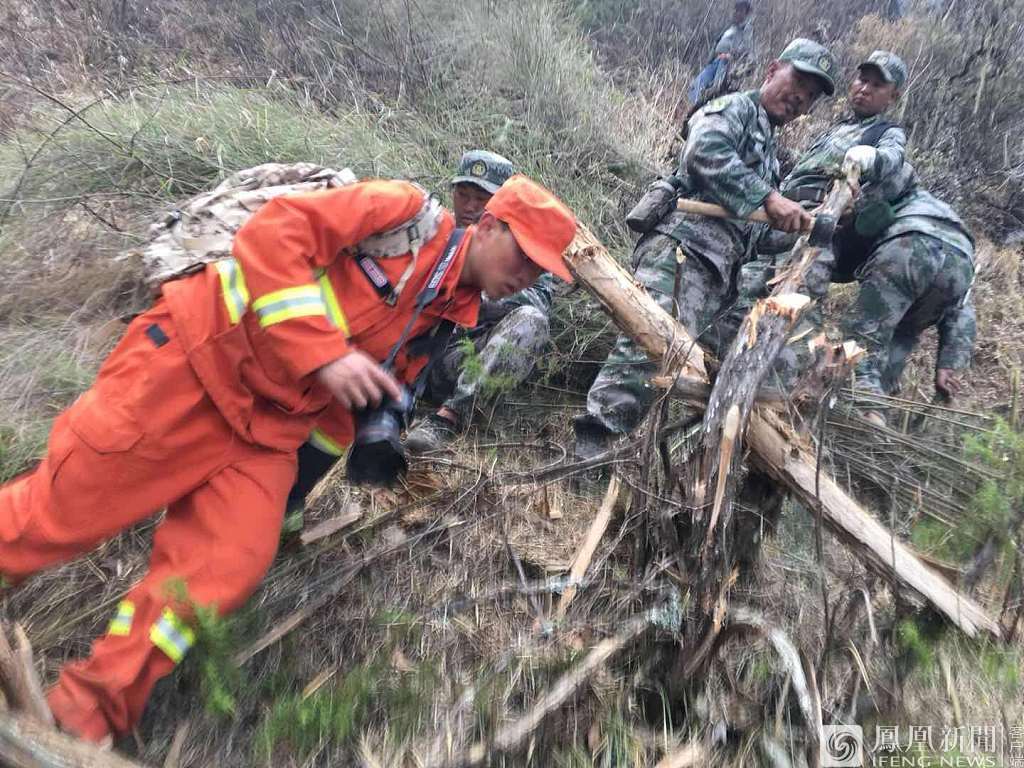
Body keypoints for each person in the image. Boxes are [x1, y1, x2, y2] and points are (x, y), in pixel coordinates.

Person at [0, 173, 577, 742]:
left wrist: (312, 480)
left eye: (540, 272)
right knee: (56, 518)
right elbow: (273, 234)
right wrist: (323, 353)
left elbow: (347, 410)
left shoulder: (451, 315)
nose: (525, 278)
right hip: (192, 368)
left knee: (228, 565)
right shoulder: (401, 213)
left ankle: (85, 716)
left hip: (267, 435)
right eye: (524, 258)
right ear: (491, 225)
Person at [574, 38, 837, 458]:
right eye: (798, 80)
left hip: (718, 277)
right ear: (772, 70)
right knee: (647, 346)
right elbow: (703, 151)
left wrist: (798, 226)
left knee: (690, 361)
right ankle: (592, 443)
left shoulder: (769, 153)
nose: (801, 96)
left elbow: (754, 236)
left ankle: (644, 452)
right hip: (683, 253)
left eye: (810, 94)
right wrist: (769, 199)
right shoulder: (735, 109)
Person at [722, 50, 911, 362]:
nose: (865, 88)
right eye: (863, 79)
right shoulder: (837, 129)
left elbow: (892, 159)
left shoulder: (885, 133)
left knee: (791, 328)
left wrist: (866, 158)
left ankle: (783, 399)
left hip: (813, 236)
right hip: (775, 228)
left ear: (893, 96)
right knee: (740, 311)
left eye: (877, 85)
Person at [843, 184, 976, 424]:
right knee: (905, 330)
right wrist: (950, 364)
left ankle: (864, 414)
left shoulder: (885, 197)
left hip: (910, 245)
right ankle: (877, 403)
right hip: (961, 262)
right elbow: (962, 308)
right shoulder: (941, 211)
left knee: (864, 339)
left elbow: (852, 240)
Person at [689, 0, 756, 107]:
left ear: (746, 13)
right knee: (696, 85)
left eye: (741, 10)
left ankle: (707, 115)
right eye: (736, 9)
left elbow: (749, 55)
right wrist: (710, 60)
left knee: (716, 92)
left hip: (726, 64)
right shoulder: (730, 27)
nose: (737, 12)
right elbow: (717, 43)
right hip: (715, 62)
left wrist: (732, 62)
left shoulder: (747, 30)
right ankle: (694, 110)